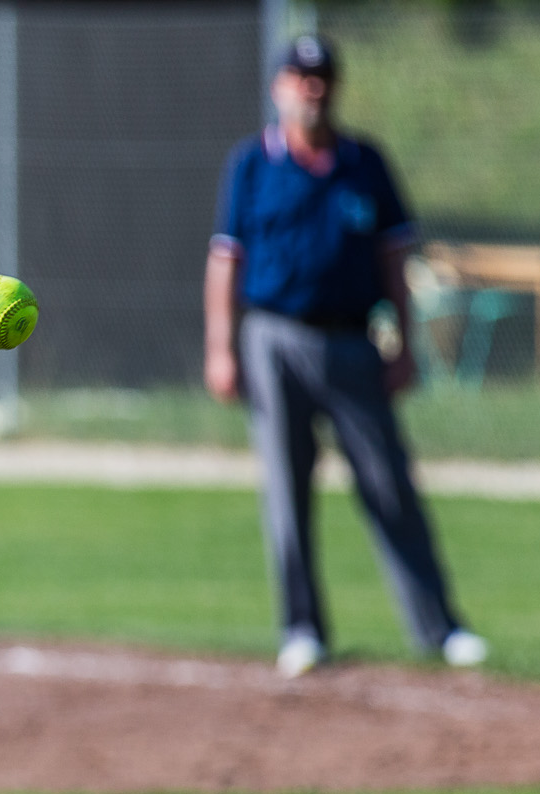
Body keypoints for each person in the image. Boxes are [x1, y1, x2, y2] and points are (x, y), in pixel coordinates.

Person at [205, 35, 487, 679]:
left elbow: (394, 260)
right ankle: (301, 629)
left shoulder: (364, 162)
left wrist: (404, 344)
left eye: (323, 77)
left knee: (388, 484)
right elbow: (225, 261)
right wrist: (221, 348)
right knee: (286, 489)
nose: (313, 88)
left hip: (354, 340)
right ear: (278, 87)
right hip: (273, 337)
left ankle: (439, 628)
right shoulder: (252, 163)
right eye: (300, 77)